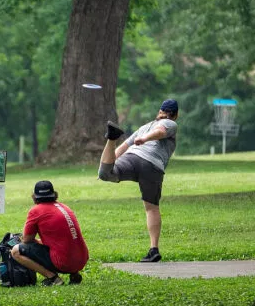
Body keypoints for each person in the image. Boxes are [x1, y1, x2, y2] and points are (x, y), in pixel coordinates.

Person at [98, 99, 179, 263]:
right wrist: (146, 139)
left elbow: (122, 148)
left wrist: (106, 169)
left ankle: (111, 138)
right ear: (176, 115)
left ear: (160, 110)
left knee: (106, 174)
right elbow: (161, 131)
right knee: (151, 208)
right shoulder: (171, 123)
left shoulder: (146, 126)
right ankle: (153, 249)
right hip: (152, 166)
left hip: (132, 158)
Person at [11, 180, 89, 286]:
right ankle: (74, 275)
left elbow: (26, 240)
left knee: (16, 251)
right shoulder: (64, 207)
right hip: (82, 259)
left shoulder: (36, 210)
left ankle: (53, 278)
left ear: (34, 196)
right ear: (54, 194)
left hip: (63, 263)